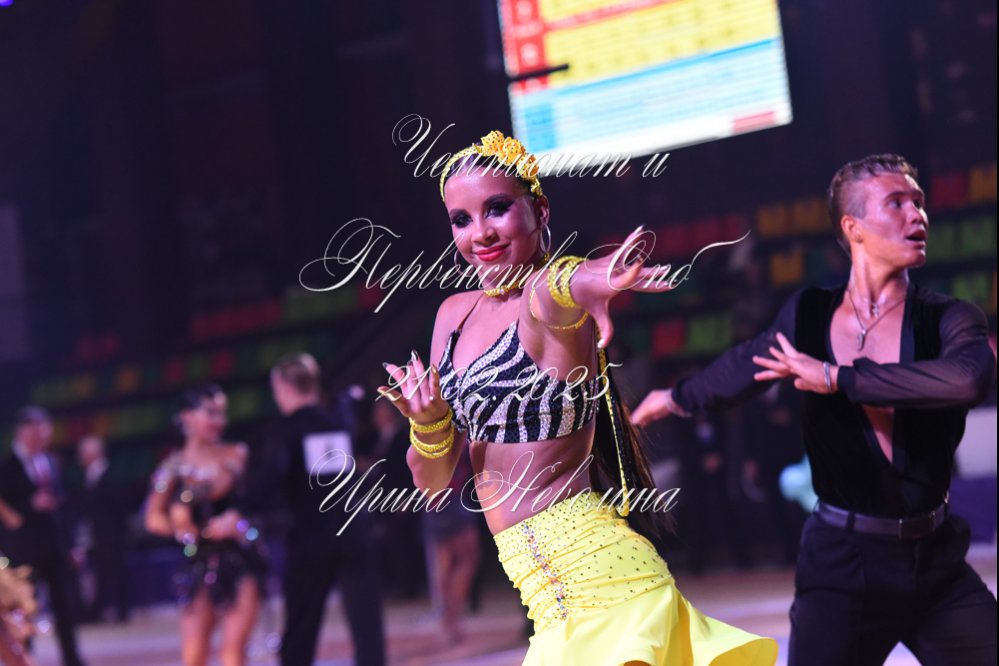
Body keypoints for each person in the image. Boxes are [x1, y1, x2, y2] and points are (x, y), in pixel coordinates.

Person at [378, 130, 777, 665]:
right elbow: (431, 483)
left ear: (539, 210)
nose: (481, 233)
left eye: (497, 208)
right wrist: (429, 422)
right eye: (461, 219)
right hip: (552, 603)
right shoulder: (452, 315)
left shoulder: (545, 298)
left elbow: (568, 281)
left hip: (604, 590)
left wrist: (601, 276)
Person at [632, 154, 997, 665]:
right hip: (842, 566)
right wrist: (673, 398)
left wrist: (837, 378)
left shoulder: (948, 317)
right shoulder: (808, 315)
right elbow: (748, 363)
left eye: (918, 202)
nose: (917, 215)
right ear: (853, 227)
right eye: (896, 203)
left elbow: (967, 379)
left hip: (935, 562)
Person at [265, 353, 385, 666]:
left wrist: (241, 510)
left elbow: (270, 481)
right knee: (367, 626)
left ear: (284, 386)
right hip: (354, 534)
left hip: (311, 540)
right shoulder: (340, 423)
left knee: (301, 626)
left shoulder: (288, 430)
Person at [143, 385, 264, 666]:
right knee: (195, 653)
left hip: (239, 558)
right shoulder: (171, 467)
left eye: (222, 413)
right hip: (197, 564)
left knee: (233, 651)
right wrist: (182, 529)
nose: (219, 421)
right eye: (210, 413)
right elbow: (152, 517)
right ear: (187, 417)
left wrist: (183, 501)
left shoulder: (235, 454)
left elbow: (223, 486)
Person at [0, 407, 87, 666]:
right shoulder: (7, 466)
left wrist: (72, 544)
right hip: (22, 551)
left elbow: (64, 505)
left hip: (54, 548)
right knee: (24, 610)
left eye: (45, 432)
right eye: (36, 432)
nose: (42, 438)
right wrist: (29, 506)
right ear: (23, 432)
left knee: (65, 607)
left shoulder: (49, 461)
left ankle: (72, 659)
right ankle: (24, 659)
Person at [74, 435, 130, 623]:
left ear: (93, 454)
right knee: (102, 573)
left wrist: (115, 535)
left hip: (111, 536)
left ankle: (121, 610)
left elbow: (117, 509)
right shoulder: (90, 476)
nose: (79, 457)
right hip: (98, 536)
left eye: (82, 453)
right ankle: (97, 611)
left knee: (115, 572)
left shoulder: (110, 475)